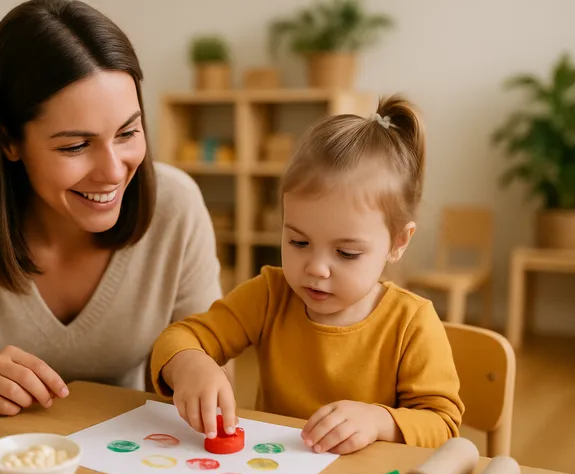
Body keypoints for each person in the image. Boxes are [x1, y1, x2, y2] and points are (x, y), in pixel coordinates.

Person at [0, 0, 222, 415]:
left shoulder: (176, 206)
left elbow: (209, 365)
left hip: (125, 452)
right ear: (8, 141)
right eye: (75, 145)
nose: (113, 171)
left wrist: (196, 367)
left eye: (127, 133)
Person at [149, 95, 465, 455]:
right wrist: (189, 363)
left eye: (346, 253)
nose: (316, 268)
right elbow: (177, 338)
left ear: (398, 242)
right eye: (298, 242)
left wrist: (379, 421)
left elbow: (443, 425)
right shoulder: (270, 294)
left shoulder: (411, 322)